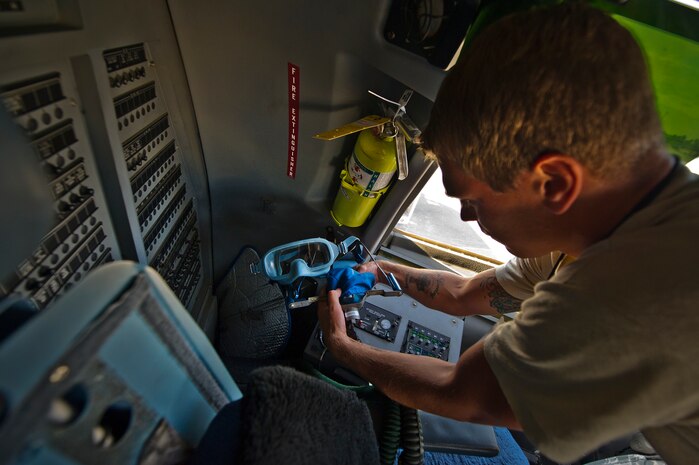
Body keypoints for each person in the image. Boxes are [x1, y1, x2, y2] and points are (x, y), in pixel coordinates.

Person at [317, 3, 699, 464]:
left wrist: (342, 347)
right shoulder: (588, 235)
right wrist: (377, 269)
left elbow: (461, 392)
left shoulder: (632, 290)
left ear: (554, 183)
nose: (463, 220)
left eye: (474, 202)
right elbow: (463, 294)